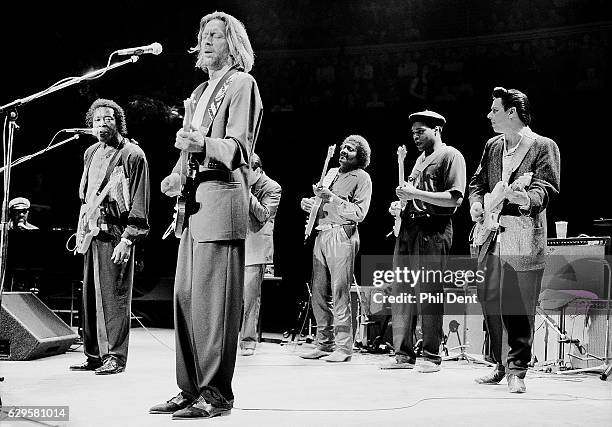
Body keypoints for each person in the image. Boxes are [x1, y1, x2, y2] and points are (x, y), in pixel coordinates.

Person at [150, 11, 263, 420]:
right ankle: (189, 387)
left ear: (232, 43)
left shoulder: (241, 84)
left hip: (222, 198)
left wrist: (201, 143)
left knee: (214, 305)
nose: (207, 41)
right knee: (184, 298)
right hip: (193, 206)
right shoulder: (198, 93)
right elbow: (189, 152)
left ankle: (216, 393)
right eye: (203, 35)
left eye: (216, 35)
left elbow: (237, 149)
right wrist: (175, 175)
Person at [469, 87, 560, 393]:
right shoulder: (493, 145)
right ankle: (499, 363)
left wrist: (524, 197)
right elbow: (477, 182)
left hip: (521, 235)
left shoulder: (543, 146)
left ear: (511, 112)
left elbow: (546, 188)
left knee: (519, 306)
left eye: (494, 110)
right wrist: (477, 204)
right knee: (490, 301)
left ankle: (517, 370)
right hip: (489, 236)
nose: (489, 115)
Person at [380, 110, 466, 373]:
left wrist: (414, 192)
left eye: (421, 131)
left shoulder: (451, 156)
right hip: (410, 228)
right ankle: (403, 354)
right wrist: (401, 206)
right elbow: (414, 197)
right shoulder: (419, 160)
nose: (415, 136)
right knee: (402, 291)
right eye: (413, 132)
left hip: (433, 229)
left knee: (429, 293)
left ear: (436, 130)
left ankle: (431, 355)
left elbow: (455, 198)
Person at [69, 98, 150, 375]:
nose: (101, 124)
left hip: (117, 232)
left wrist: (128, 238)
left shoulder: (132, 154)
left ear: (118, 122)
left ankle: (114, 355)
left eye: (108, 119)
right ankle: (94, 354)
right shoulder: (90, 152)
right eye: (96, 120)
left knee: (114, 296)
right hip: (92, 231)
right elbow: (88, 195)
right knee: (90, 295)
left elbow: (139, 200)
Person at [299, 135, 372, 363]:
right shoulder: (331, 173)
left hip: (342, 233)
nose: (344, 151)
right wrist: (310, 204)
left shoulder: (362, 178)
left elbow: (359, 213)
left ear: (359, 156)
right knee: (318, 293)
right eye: (343, 147)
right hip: (322, 232)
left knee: (340, 292)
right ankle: (324, 343)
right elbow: (322, 203)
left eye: (350, 149)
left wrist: (331, 197)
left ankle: (344, 347)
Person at [239, 153, 282, 356]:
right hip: (236, 244)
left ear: (257, 170)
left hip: (255, 249)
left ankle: (248, 341)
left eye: (247, 174)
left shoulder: (272, 187)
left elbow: (264, 214)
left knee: (250, 299)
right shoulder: (239, 183)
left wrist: (246, 191)